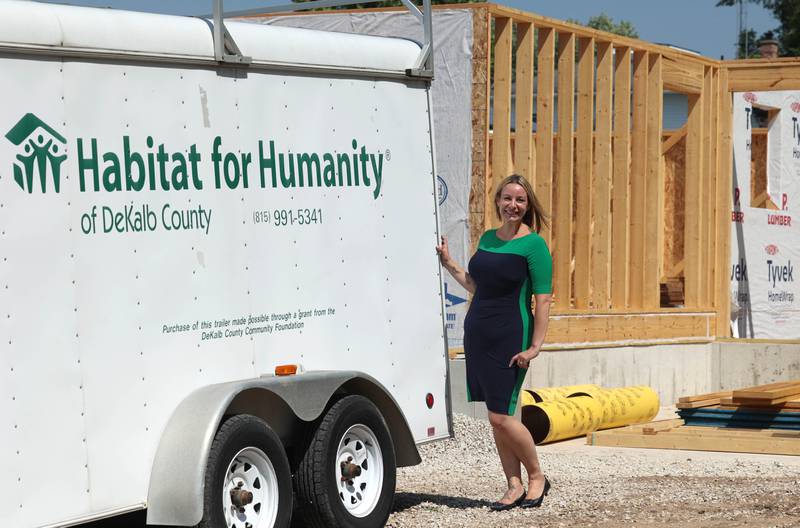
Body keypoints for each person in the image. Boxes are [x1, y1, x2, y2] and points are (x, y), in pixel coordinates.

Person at [436, 173, 553, 510]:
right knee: (495, 415)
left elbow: (543, 300)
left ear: (527, 206)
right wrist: (449, 263)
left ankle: (536, 477)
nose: (512, 205)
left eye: (519, 200)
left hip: (510, 335)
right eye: (507, 198)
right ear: (498, 201)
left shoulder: (534, 246)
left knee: (503, 417)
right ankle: (513, 484)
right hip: (479, 334)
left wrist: (535, 346)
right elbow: (476, 285)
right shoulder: (487, 238)